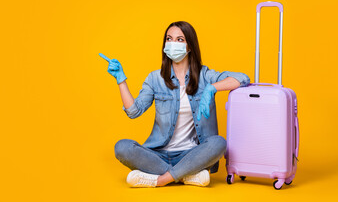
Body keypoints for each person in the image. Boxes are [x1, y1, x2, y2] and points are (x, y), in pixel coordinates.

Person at [99, 21, 250, 188]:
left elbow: (243, 78)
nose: (173, 43)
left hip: (191, 155)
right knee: (122, 147)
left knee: (219, 143)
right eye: (169, 39)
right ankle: (187, 175)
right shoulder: (155, 78)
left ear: (190, 46)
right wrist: (121, 80)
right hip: (158, 155)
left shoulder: (204, 75)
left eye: (180, 40)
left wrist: (211, 88)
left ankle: (161, 180)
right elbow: (134, 111)